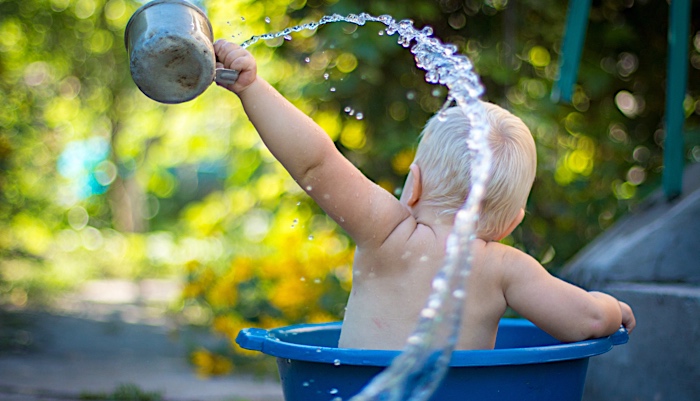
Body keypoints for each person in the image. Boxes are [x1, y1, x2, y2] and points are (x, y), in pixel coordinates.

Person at [213, 40, 636, 350]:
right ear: (512, 223)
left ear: (412, 185)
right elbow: (587, 320)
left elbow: (316, 163)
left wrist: (252, 87)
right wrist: (613, 308)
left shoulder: (387, 233)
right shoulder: (506, 268)